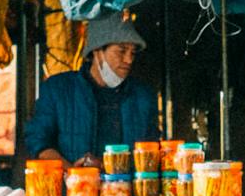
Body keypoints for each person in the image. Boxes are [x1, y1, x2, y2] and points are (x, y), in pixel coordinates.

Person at [21, 14, 159, 164]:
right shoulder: (58, 89)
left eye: (132, 52)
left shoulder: (142, 97)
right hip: (71, 178)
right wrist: (71, 171)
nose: (129, 60)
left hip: (126, 180)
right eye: (121, 51)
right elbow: (37, 139)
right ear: (97, 51)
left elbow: (152, 149)